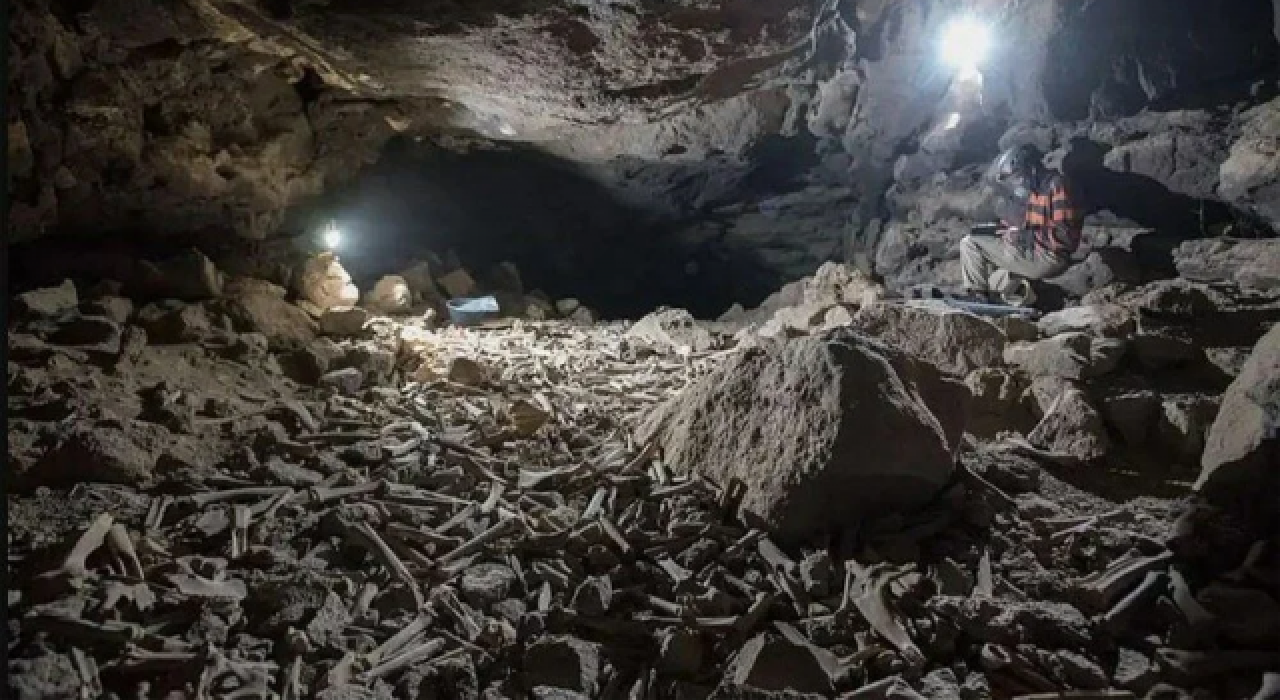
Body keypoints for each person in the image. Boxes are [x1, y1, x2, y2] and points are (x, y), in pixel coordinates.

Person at [959, 143, 1082, 304]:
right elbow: (1030, 226)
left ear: (1031, 169)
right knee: (993, 281)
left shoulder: (1057, 185)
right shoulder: (1036, 190)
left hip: (1049, 258)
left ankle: (977, 298)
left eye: (1018, 177)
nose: (1018, 183)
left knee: (970, 243)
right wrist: (1008, 229)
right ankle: (1025, 296)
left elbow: (1065, 236)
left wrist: (1021, 236)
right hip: (1036, 253)